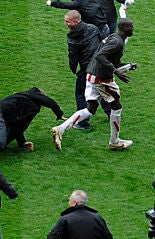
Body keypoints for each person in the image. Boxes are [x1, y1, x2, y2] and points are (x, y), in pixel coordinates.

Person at [53, 16, 137, 150]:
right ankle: (114, 141)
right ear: (123, 28)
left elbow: (109, 60)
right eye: (131, 26)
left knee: (90, 109)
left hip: (92, 74)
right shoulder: (117, 42)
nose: (133, 29)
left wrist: (127, 66)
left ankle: (61, 129)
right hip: (102, 78)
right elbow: (100, 56)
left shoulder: (114, 38)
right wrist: (116, 71)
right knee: (116, 107)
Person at [39, 189, 115, 239]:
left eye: (70, 200)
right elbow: (107, 238)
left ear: (74, 203)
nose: (69, 202)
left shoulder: (65, 219)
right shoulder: (97, 218)